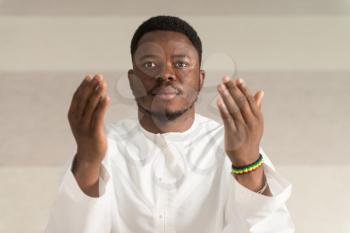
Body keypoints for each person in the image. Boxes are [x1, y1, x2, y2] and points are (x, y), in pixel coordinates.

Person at [46, 15, 294, 233]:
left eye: (181, 64)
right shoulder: (103, 146)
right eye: (150, 64)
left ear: (200, 78)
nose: (166, 74)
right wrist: (88, 161)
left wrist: (247, 163)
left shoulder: (232, 144)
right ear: (132, 80)